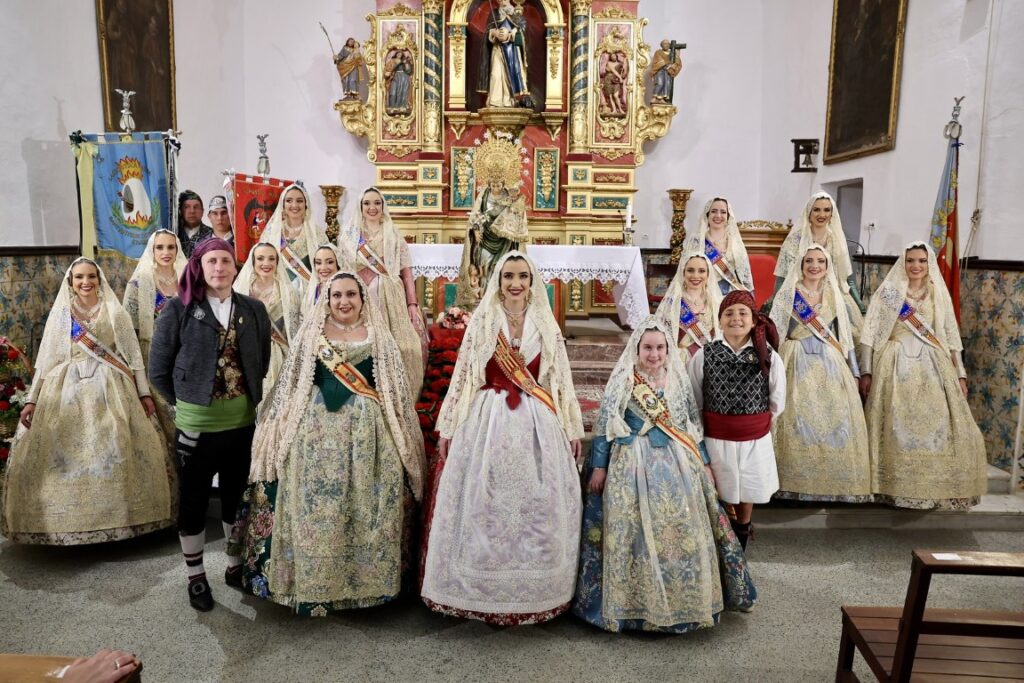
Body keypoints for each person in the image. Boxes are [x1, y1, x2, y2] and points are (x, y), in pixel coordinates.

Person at [232, 271, 426, 616]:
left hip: (368, 435)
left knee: (364, 499)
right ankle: (312, 581)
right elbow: (293, 384)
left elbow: (395, 390)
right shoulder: (312, 335)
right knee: (315, 502)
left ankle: (367, 586)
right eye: (337, 295)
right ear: (327, 299)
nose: (344, 301)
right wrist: (277, 428)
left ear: (363, 299)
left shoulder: (380, 337)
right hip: (314, 434)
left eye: (351, 294)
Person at [421, 251, 584, 625]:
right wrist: (449, 425)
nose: (515, 283)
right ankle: (479, 586)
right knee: (486, 502)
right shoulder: (484, 321)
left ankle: (536, 588)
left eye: (522, 276)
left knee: (535, 505)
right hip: (488, 418)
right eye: (509, 276)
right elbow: (465, 376)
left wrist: (572, 426)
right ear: (498, 280)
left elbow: (559, 378)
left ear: (532, 281)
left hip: (537, 420)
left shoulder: (545, 323)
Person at [573, 317, 756, 633]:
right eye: (648, 347)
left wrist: (705, 462)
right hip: (631, 458)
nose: (654, 354)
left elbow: (689, 424)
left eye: (660, 348)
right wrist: (600, 466)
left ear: (668, 349)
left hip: (676, 459)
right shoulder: (624, 379)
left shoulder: (676, 380)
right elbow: (605, 424)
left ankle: (684, 599)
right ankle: (632, 605)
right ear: (637, 349)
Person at [1, 258, 174, 545]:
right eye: (79, 277)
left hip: (112, 387)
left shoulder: (114, 311)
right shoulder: (61, 315)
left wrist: (144, 393)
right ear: (71, 282)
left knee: (117, 443)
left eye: (91, 276)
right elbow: (45, 361)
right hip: (65, 389)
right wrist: (32, 400)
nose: (86, 282)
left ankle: (126, 519)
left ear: (99, 279)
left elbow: (133, 358)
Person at [149, 238, 272, 612]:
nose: (219, 267)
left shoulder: (253, 309)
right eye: (212, 261)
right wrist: (188, 401)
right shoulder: (179, 309)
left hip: (241, 423)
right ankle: (196, 576)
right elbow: (158, 370)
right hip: (196, 426)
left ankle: (234, 566)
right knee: (194, 501)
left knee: (236, 499)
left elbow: (261, 361)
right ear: (199, 268)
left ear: (235, 267)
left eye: (225, 261)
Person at [859, 242, 987, 510]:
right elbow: (870, 332)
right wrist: (867, 370)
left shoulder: (937, 292)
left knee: (935, 424)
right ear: (903, 262)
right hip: (895, 364)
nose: (915, 266)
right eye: (910, 260)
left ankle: (933, 487)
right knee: (896, 425)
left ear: (929, 264)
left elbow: (951, 335)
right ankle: (893, 487)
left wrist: (960, 373)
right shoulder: (890, 293)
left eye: (921, 261)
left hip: (933, 365)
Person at [769, 245, 870, 502]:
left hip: (830, 361)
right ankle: (793, 483)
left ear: (827, 267)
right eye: (809, 261)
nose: (815, 266)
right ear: (801, 265)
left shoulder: (836, 296)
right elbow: (775, 333)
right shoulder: (787, 294)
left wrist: (855, 371)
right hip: (794, 359)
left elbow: (845, 337)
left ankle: (830, 482)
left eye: (821, 262)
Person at [687, 290, 785, 550]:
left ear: (754, 321)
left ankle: (743, 532)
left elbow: (777, 400)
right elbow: (694, 398)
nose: (736, 319)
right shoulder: (704, 354)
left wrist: (753, 424)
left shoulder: (768, 356)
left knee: (748, 487)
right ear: (719, 321)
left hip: (754, 437)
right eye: (729, 313)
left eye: (743, 313)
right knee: (722, 487)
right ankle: (722, 541)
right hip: (716, 437)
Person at [338, 187, 426, 396]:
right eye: (367, 203)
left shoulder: (393, 234)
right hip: (360, 297)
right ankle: (364, 390)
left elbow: (406, 270)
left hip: (390, 296)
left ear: (383, 206)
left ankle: (398, 393)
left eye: (377, 203)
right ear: (360, 207)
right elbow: (343, 270)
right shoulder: (349, 236)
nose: (372, 207)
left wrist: (412, 303)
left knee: (403, 346)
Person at [123, 229, 188, 444]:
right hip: (153, 356)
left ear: (177, 250)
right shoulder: (138, 284)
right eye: (159, 247)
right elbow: (129, 330)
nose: (165, 252)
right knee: (165, 416)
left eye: (171, 247)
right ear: (151, 250)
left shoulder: (189, 281)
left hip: (186, 355)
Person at [773, 192, 866, 319]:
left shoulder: (837, 240)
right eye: (816, 210)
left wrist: (858, 302)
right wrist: (779, 303)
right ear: (809, 212)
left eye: (826, 210)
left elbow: (847, 278)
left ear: (832, 214)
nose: (822, 215)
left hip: (832, 295)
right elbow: (782, 277)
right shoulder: (794, 240)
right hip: (799, 296)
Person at [234, 242, 302, 403]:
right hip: (246, 352)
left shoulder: (288, 293)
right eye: (260, 258)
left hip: (278, 354)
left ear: (277, 262)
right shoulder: (240, 289)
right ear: (253, 262)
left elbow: (295, 329)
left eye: (271, 259)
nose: (266, 263)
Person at [456, 177, 528, 309]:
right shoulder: (483, 195)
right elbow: (475, 216)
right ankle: (484, 299)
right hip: (485, 238)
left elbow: (517, 214)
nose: (496, 188)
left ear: (503, 183)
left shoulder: (510, 195)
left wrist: (515, 205)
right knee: (483, 266)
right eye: (493, 185)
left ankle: (500, 298)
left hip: (504, 240)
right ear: (489, 184)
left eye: (498, 185)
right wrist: (476, 230)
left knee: (501, 267)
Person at [654, 251, 722, 365]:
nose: (695, 276)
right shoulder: (672, 303)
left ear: (708, 274)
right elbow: (661, 336)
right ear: (683, 272)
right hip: (680, 361)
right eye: (690, 270)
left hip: (709, 361)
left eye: (702, 271)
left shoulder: (715, 302)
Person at [259, 183, 327, 293]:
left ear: (306, 204)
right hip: (278, 290)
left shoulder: (316, 233)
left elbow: (326, 263)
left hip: (307, 291)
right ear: (283, 205)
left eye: (299, 201)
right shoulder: (272, 232)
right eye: (289, 201)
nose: (294, 205)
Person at [682, 197, 754, 296]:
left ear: (728, 217)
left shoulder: (735, 243)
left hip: (731, 295)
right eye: (714, 211)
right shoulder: (696, 241)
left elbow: (745, 277)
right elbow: (685, 270)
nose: (718, 215)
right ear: (707, 215)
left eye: (723, 212)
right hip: (703, 294)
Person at [478, 0, 533, 108]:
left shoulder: (516, 14)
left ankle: (509, 101)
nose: (502, 0)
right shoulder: (494, 14)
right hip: (497, 49)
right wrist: (494, 33)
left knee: (511, 75)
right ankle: (495, 101)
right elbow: (488, 31)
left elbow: (522, 34)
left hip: (512, 51)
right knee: (495, 74)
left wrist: (510, 34)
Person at [301, 244, 343, 318]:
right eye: (318, 263)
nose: (323, 268)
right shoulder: (312, 289)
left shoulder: (345, 289)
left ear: (338, 264)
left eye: (330, 262)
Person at [176, 190, 212, 258]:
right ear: (180, 211)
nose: (192, 211)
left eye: (196, 207)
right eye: (187, 207)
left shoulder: (212, 235)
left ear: (202, 211)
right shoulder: (175, 234)